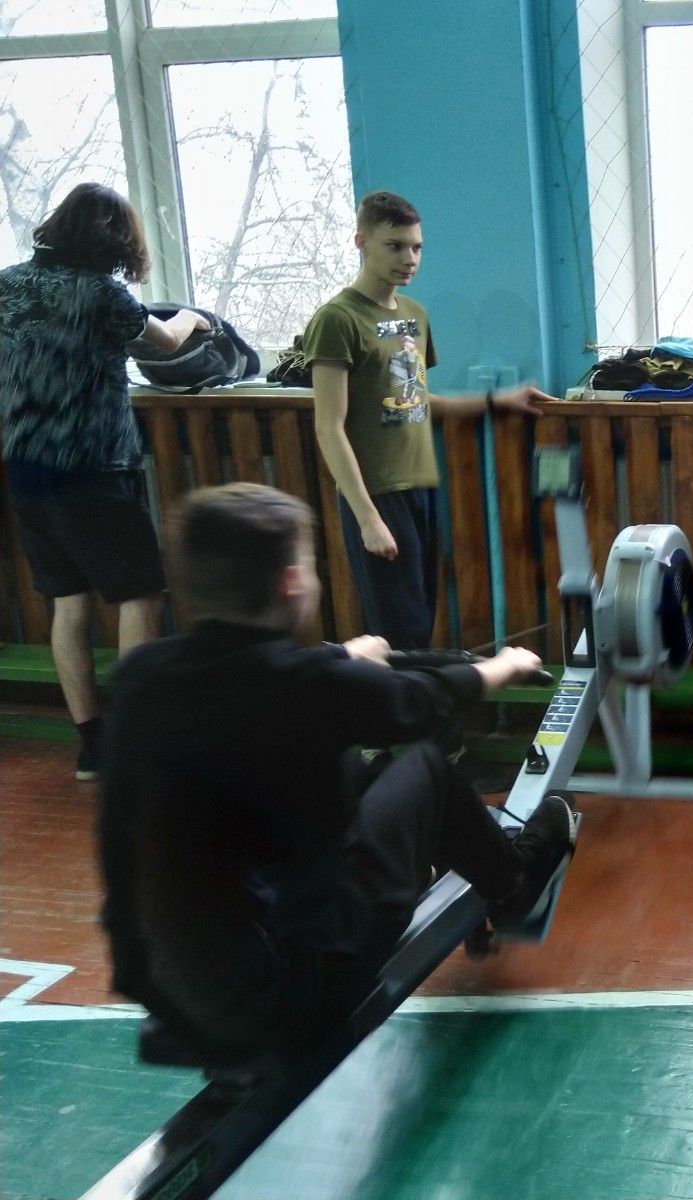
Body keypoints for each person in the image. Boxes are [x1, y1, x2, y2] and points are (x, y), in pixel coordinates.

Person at [98, 483, 577, 1056]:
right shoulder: (310, 687)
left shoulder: (141, 678)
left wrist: (341, 656)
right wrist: (503, 666)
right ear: (291, 582)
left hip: (165, 992)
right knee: (426, 770)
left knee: (344, 770)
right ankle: (515, 887)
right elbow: (419, 702)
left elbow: (250, 675)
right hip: (292, 992)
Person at [0, 182, 213, 781]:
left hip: (25, 469)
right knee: (138, 594)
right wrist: (193, 316)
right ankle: (132, 738)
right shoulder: (102, 294)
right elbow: (165, 340)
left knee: (68, 602)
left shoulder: (6, 284)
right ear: (115, 239)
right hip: (92, 470)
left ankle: (91, 745)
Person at [304, 190, 555, 651]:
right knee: (397, 632)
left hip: (422, 487)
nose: (409, 259)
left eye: (417, 247)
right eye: (395, 246)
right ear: (361, 241)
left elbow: (417, 400)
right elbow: (328, 426)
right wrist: (367, 517)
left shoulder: (414, 315)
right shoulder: (337, 319)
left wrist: (500, 399)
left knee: (421, 623)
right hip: (378, 492)